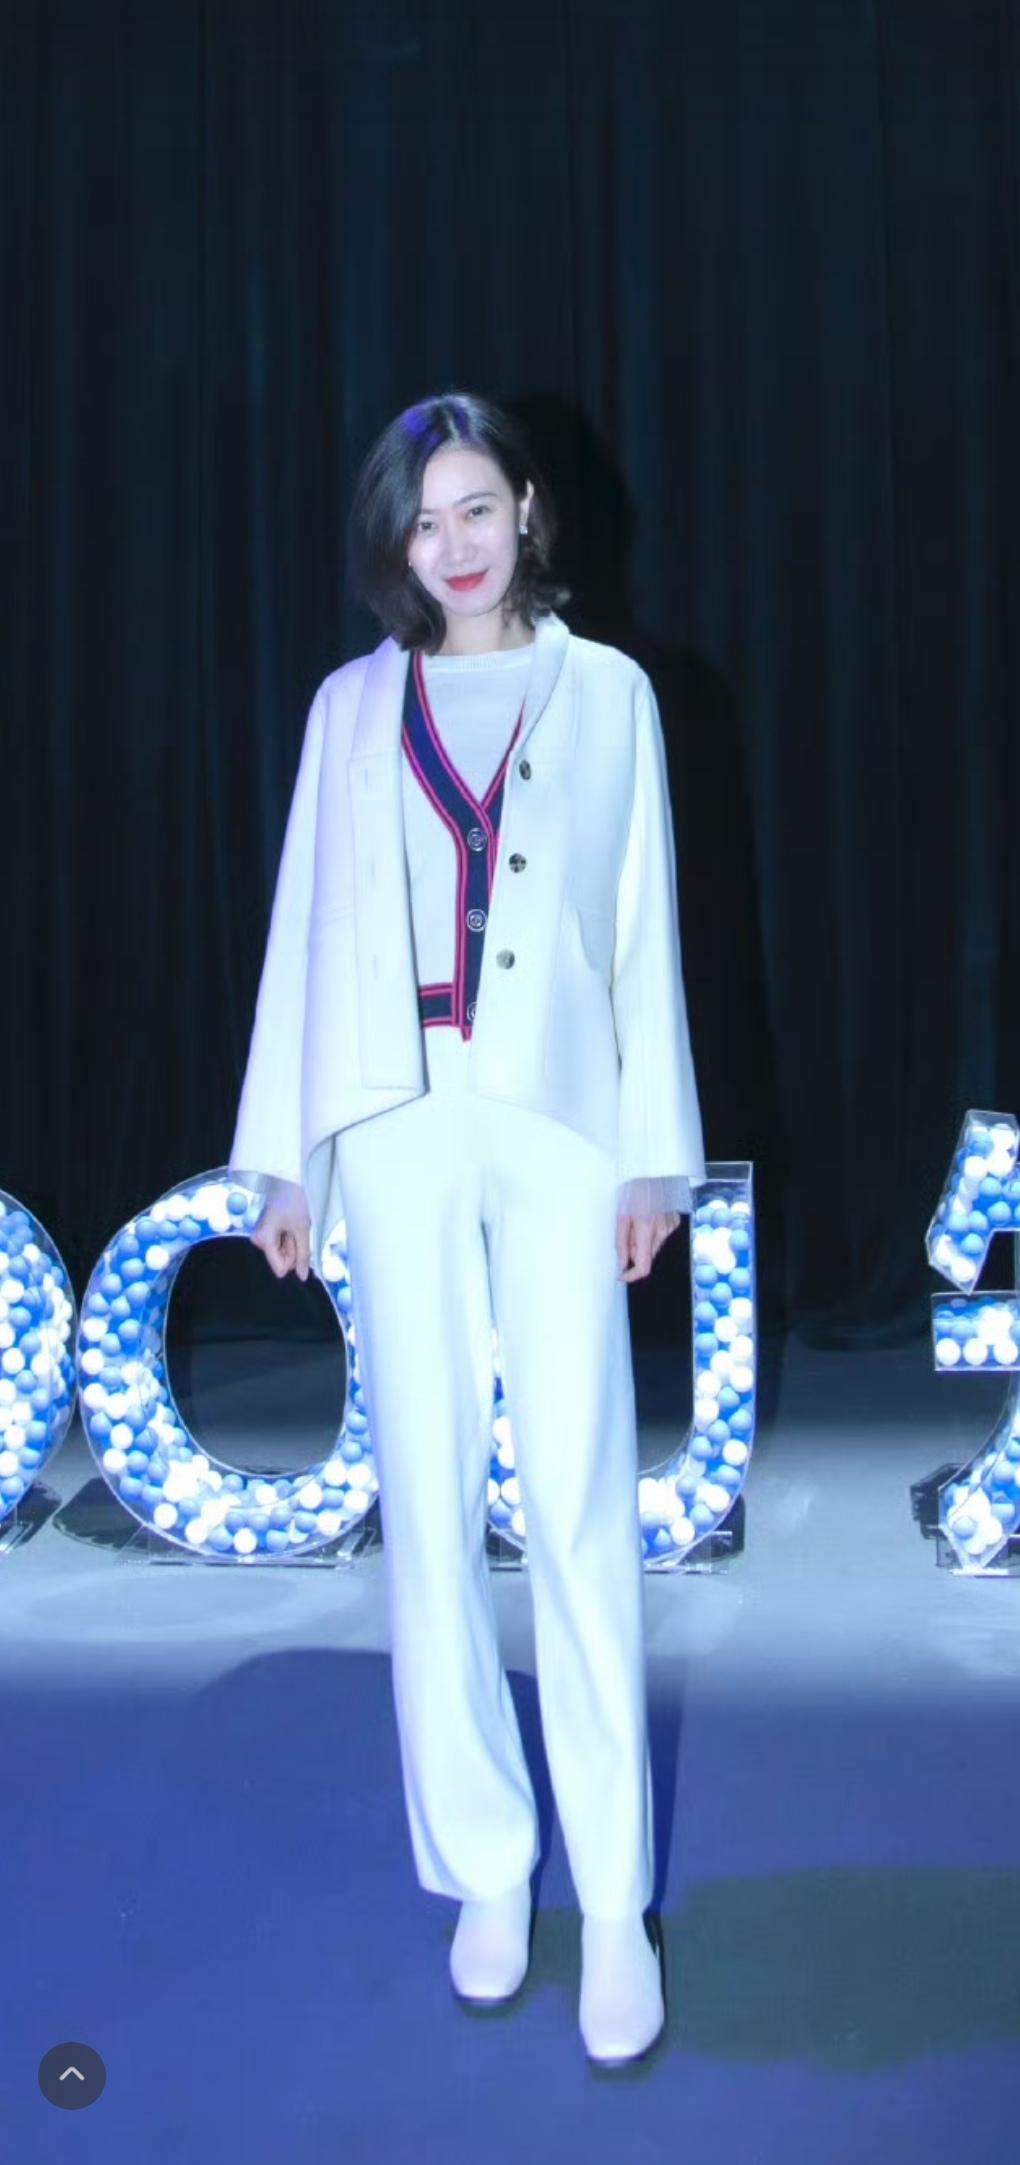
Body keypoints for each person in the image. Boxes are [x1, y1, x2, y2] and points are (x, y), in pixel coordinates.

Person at [228, 390, 705, 2067]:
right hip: (397, 1121)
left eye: (477, 508)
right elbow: (303, 922)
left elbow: (642, 930)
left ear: (528, 512)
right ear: (396, 543)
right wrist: (287, 1159)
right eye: (423, 520)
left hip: (561, 1123)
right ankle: (489, 1868)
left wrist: (654, 1160)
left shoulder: (611, 693)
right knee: (425, 1503)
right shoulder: (350, 708)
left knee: (576, 1495)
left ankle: (619, 1902)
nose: (455, 543)